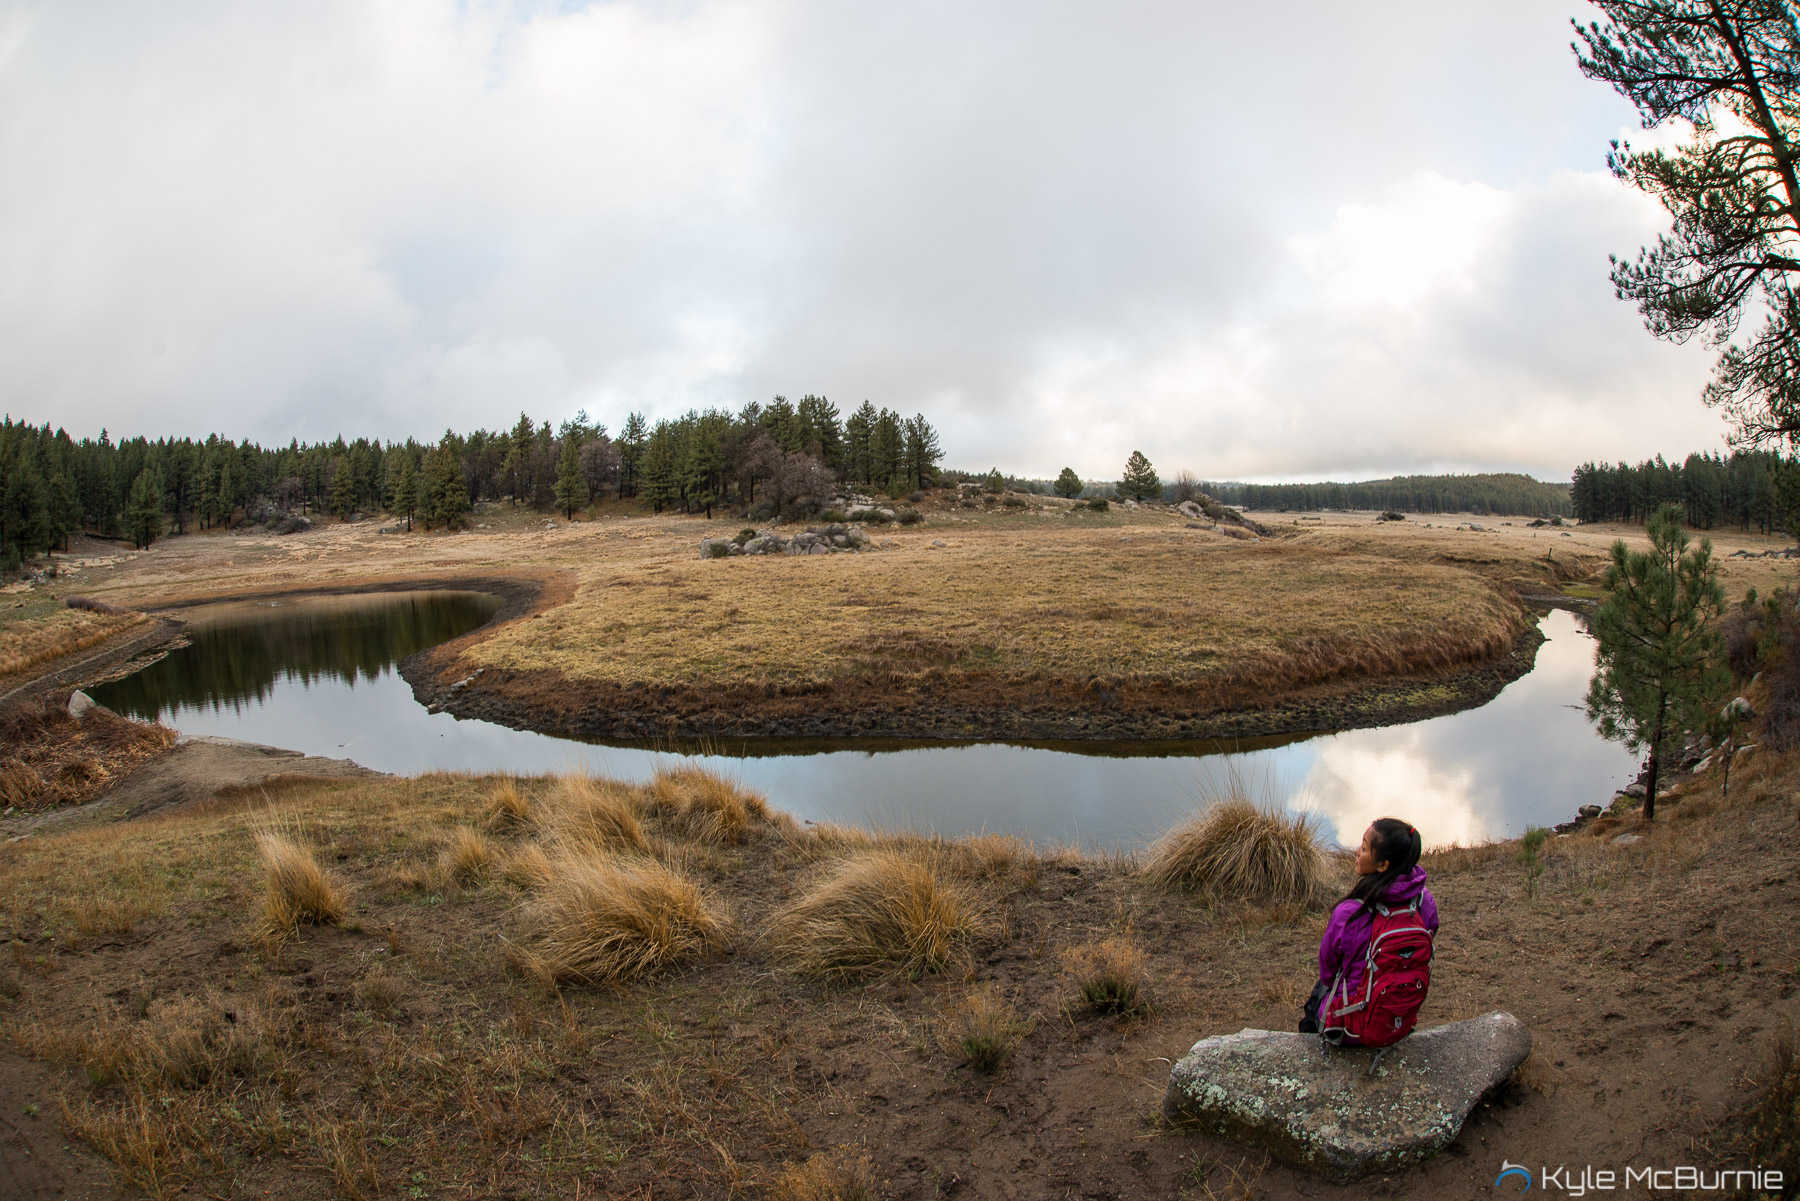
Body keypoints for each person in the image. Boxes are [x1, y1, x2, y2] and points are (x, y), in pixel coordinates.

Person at [1300, 817, 1437, 1037]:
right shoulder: (1423, 902)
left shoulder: (1349, 913)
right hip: (1398, 1022)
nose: (1356, 851)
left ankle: (1308, 1052)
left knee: (1320, 991)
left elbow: (1328, 972)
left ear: (1383, 865)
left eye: (1364, 848)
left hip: (1349, 1029)